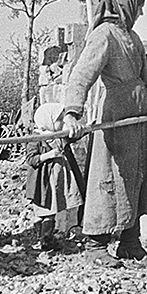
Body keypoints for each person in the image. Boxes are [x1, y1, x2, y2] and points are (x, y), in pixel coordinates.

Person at [63, 0, 147, 267]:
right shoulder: (104, 35)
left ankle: (130, 243)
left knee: (136, 177)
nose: (140, 13)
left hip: (140, 117)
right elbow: (81, 75)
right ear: (127, 5)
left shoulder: (133, 38)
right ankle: (95, 244)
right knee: (109, 178)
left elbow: (145, 77)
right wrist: (73, 113)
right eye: (138, 7)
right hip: (117, 116)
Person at [24, 102, 84, 252]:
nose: (62, 123)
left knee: (53, 209)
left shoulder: (58, 137)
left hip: (58, 181)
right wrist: (49, 155)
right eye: (59, 120)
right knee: (46, 211)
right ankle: (45, 241)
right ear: (48, 120)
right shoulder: (36, 139)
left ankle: (47, 238)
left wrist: (86, 127)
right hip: (45, 183)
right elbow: (31, 159)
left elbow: (73, 137)